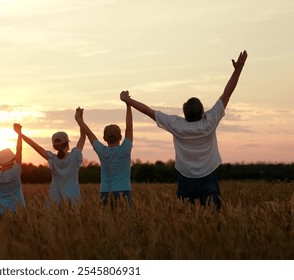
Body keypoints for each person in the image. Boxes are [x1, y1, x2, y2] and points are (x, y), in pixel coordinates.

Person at [121, 50, 248, 210]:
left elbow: (148, 111)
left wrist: (127, 100)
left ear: (184, 113)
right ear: (203, 112)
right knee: (214, 219)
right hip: (209, 175)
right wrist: (238, 69)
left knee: (186, 219)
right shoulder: (209, 122)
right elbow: (227, 93)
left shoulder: (176, 125)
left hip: (185, 177)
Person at [16, 107, 86, 206]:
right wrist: (80, 118)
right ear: (68, 143)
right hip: (74, 200)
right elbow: (83, 136)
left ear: (54, 146)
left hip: (55, 200)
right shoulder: (75, 156)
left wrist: (20, 134)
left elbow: (35, 146)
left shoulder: (52, 159)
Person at [75, 95, 133, 206]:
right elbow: (129, 127)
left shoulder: (102, 151)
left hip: (105, 192)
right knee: (124, 222)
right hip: (124, 191)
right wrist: (128, 104)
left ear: (104, 138)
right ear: (120, 137)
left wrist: (79, 119)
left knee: (107, 221)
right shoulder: (125, 148)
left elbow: (89, 133)